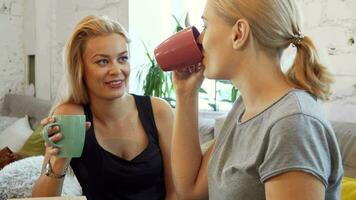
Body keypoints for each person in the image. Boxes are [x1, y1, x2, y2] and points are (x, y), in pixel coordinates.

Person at [171, 0, 343, 200]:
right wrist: (185, 94)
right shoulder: (244, 109)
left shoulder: (292, 123)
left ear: (239, 33)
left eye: (206, 26)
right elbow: (190, 190)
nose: (200, 39)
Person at [32, 15, 176, 200]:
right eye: (102, 61)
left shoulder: (158, 110)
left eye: (123, 58)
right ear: (80, 68)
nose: (117, 70)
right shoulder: (71, 114)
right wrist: (59, 160)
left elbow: (176, 192)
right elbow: (41, 199)